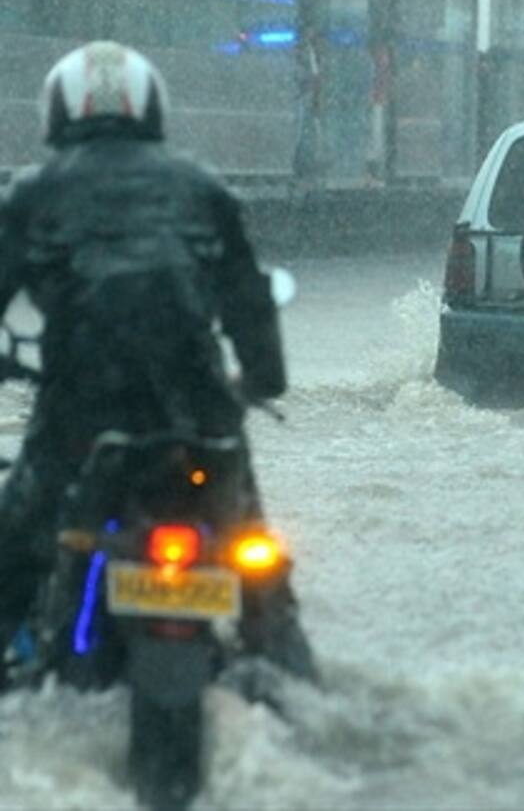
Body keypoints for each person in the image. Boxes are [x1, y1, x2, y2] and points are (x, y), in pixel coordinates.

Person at [0, 41, 316, 683]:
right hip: (199, 409)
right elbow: (248, 299)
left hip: (80, 412)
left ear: (58, 113)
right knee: (253, 550)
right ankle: (286, 666)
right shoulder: (202, 188)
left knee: (18, 542)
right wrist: (260, 381)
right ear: (154, 111)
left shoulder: (34, 193)